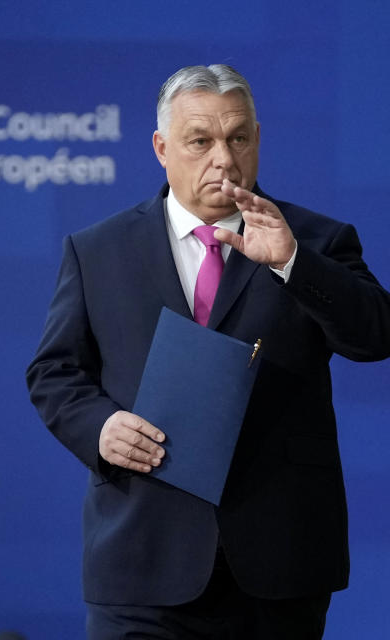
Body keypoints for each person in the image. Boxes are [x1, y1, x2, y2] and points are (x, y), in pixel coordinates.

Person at [25, 64, 390, 639]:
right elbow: (54, 372)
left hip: (278, 564)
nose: (224, 157)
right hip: (142, 559)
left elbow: (374, 338)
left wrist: (294, 265)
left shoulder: (316, 241)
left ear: (258, 140)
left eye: (238, 137)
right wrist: (99, 428)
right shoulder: (98, 251)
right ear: (162, 148)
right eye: (201, 141)